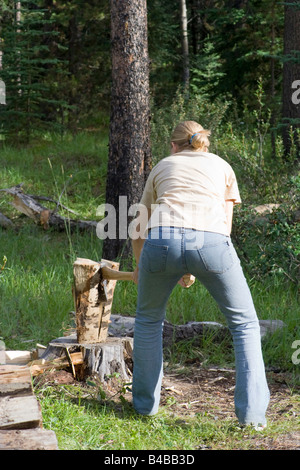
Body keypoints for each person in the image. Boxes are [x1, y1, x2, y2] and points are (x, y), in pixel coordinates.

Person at [130, 120, 270, 429]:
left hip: (161, 241)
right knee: (245, 325)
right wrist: (196, 263)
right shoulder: (223, 167)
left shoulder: (163, 166)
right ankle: (252, 417)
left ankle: (144, 408)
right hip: (212, 243)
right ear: (204, 144)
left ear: (173, 145)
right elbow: (226, 227)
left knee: (148, 321)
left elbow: (138, 226)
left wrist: (142, 264)